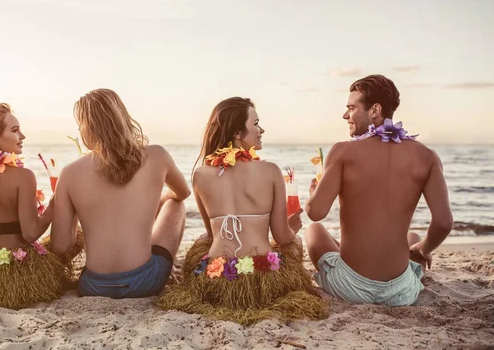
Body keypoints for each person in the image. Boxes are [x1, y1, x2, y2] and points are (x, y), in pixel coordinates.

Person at [156, 97, 328, 325]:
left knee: (201, 241)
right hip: (264, 274)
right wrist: (292, 228)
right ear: (237, 133)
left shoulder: (200, 174)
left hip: (217, 275)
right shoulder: (270, 171)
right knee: (293, 243)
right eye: (256, 123)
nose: (261, 129)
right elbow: (281, 236)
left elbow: (211, 233)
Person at [305, 74, 454, 306]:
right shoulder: (428, 157)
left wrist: (313, 195)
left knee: (314, 230)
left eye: (351, 108)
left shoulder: (342, 152)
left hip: (351, 287)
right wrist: (425, 249)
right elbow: (444, 223)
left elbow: (316, 213)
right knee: (413, 239)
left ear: (375, 110)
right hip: (401, 293)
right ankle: (412, 259)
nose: (345, 115)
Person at [51, 89, 191, 299]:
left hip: (93, 286)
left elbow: (61, 246)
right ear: (122, 118)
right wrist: (159, 199)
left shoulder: (70, 173)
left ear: (86, 128)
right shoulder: (157, 155)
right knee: (176, 205)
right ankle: (164, 267)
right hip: (145, 282)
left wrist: (74, 209)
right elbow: (183, 193)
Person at [0, 103, 82, 309]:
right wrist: (52, 207)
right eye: (15, 130)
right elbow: (30, 234)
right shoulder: (23, 176)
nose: (23, 136)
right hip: (17, 273)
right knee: (78, 238)